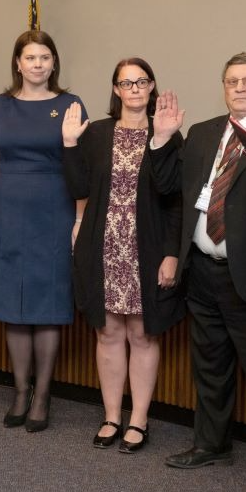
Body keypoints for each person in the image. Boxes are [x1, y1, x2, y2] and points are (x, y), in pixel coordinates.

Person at [149, 52, 246, 492]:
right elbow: (171, 193)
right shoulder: (201, 133)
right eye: (231, 80)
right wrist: (161, 141)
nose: (239, 88)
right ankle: (211, 443)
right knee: (210, 367)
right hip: (202, 272)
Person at [0, 30, 86, 432]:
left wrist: (70, 149)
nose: (37, 64)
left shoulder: (70, 103)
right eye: (30, 57)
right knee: (13, 301)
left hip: (55, 206)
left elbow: (80, 162)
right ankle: (19, 391)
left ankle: (43, 395)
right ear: (18, 63)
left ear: (53, 62)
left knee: (47, 303)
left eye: (45, 57)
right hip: (9, 208)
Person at [61, 57, 185, 453]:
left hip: (145, 246)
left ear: (152, 87)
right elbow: (79, 185)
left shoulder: (168, 131)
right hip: (103, 243)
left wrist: (170, 255)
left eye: (141, 81)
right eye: (126, 83)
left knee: (142, 333)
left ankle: (139, 420)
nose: (134, 89)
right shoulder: (96, 133)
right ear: (115, 89)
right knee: (108, 330)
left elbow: (173, 197)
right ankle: (112, 415)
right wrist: (67, 143)